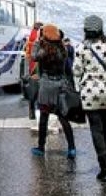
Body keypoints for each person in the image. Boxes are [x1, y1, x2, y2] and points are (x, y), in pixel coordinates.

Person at [73, 14, 106, 182]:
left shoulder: (82, 48)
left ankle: (104, 169)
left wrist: (86, 79)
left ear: (86, 30)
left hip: (89, 94)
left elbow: (76, 70)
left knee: (97, 130)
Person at [30, 24, 77, 158]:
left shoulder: (43, 50)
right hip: (61, 86)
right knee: (63, 118)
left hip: (46, 87)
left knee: (44, 118)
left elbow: (33, 56)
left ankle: (40, 147)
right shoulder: (62, 49)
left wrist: (37, 43)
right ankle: (72, 148)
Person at [25, 21, 43, 120]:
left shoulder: (30, 37)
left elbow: (28, 53)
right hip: (39, 67)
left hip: (32, 67)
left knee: (33, 91)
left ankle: (31, 113)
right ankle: (41, 112)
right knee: (40, 90)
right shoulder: (39, 37)